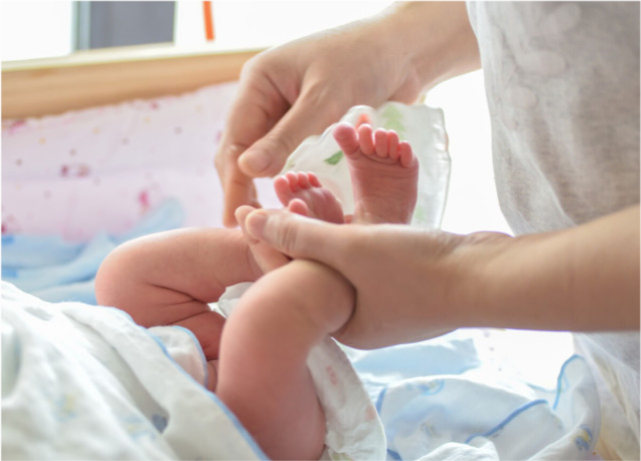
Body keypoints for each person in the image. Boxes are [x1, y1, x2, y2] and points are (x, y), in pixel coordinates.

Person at [215, 1, 641, 460]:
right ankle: (348, 246)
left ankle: (338, 257)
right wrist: (400, 45)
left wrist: (454, 278)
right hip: (608, 351)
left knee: (241, 306)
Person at [95, 123, 415, 461]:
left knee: (122, 275)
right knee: (260, 323)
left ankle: (262, 256)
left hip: (118, 364)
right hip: (220, 440)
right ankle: (353, 261)